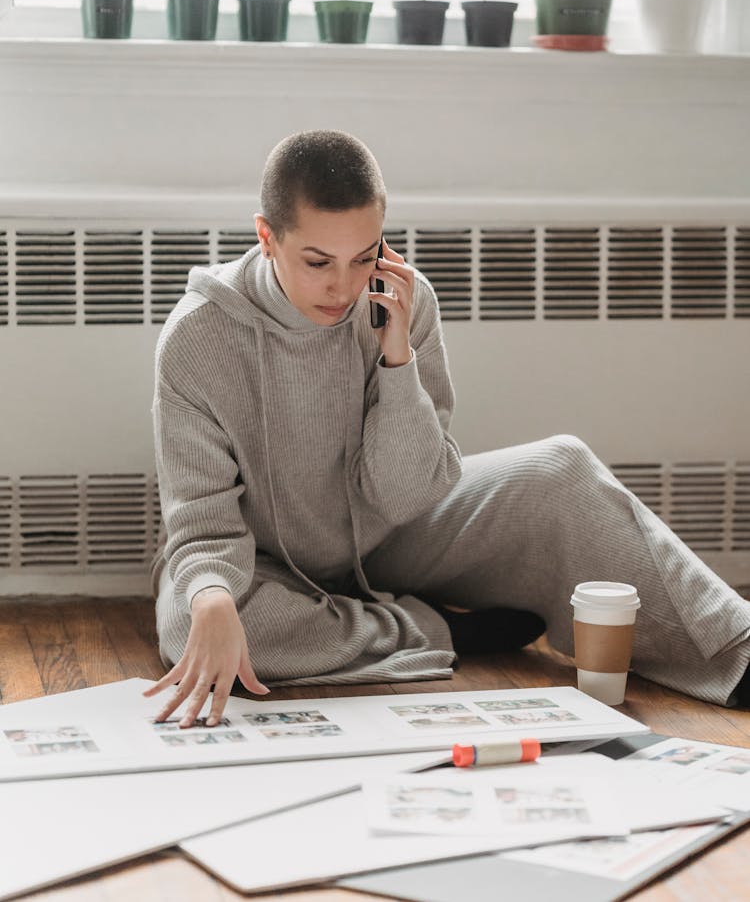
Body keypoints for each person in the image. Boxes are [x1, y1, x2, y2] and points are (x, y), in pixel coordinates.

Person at [145, 130, 750, 728]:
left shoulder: (404, 301)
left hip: (391, 535)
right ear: (266, 237)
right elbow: (200, 516)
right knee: (190, 618)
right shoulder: (198, 336)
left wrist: (397, 357)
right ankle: (434, 628)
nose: (343, 287)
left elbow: (405, 494)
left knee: (562, 467)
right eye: (317, 262)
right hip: (264, 558)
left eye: (363, 257)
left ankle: (732, 649)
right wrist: (214, 597)